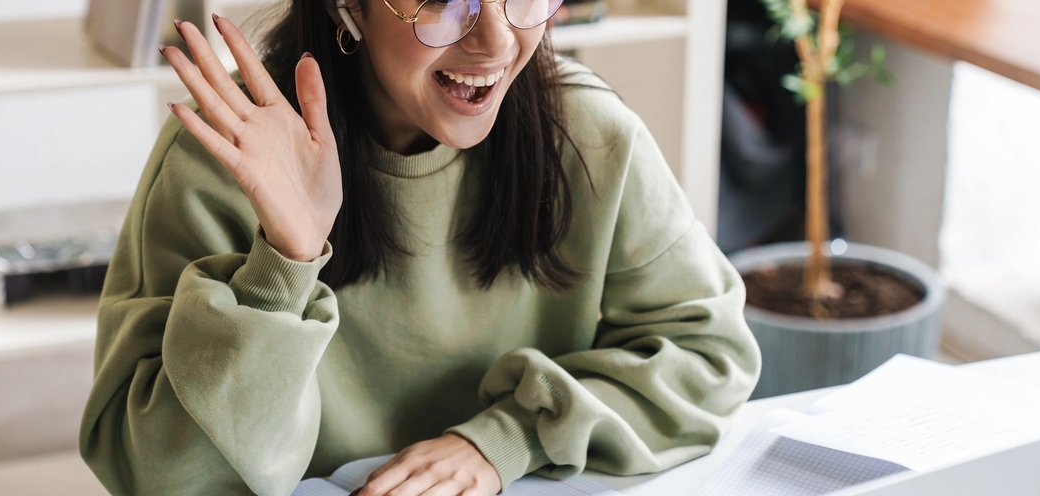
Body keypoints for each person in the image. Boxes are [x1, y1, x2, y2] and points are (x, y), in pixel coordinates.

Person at [78, 0, 761, 493]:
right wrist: (285, 259)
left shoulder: (589, 133)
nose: (495, 41)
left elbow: (711, 354)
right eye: (442, 0)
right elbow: (157, 476)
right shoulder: (223, 159)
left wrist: (505, 441)